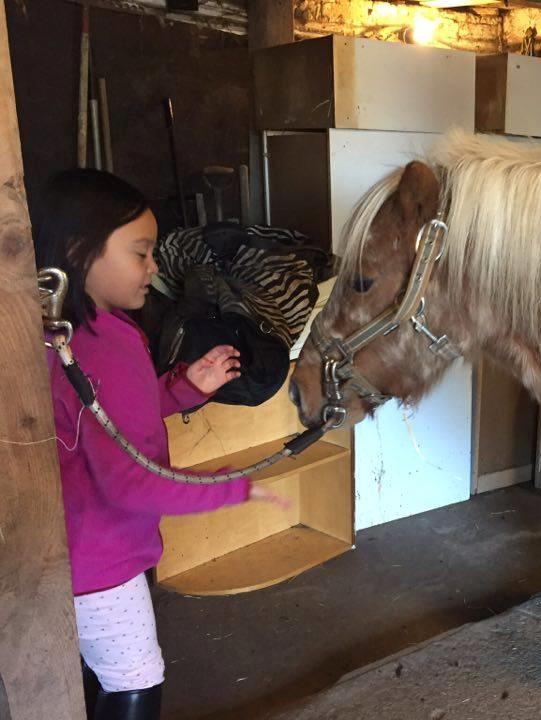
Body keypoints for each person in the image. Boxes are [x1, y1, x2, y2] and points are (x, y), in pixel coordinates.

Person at [35, 168, 285, 720]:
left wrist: (182, 388)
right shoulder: (106, 344)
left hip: (59, 554)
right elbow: (131, 481)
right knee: (135, 682)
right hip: (104, 562)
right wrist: (234, 490)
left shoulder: (61, 333)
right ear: (80, 252)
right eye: (141, 253)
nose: (153, 268)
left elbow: (100, 424)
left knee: (82, 676)